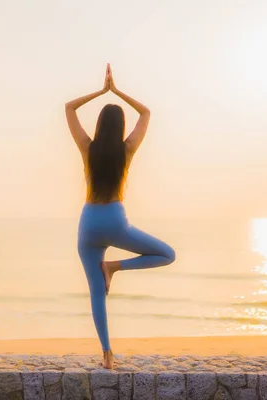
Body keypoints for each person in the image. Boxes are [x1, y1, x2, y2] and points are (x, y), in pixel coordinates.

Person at [65, 63, 176, 369]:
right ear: (121, 127)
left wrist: (101, 91)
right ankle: (114, 266)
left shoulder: (87, 147)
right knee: (167, 254)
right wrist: (118, 92)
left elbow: (69, 108)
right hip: (115, 221)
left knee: (96, 293)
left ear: (99, 126)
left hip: (88, 224)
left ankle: (107, 354)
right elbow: (146, 114)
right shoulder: (127, 149)